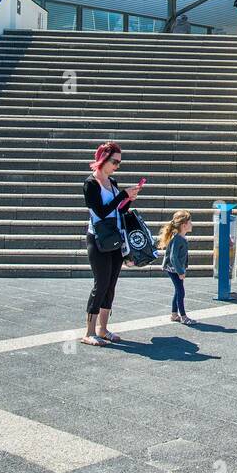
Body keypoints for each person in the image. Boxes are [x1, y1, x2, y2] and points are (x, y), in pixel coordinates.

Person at [82, 142, 142, 346]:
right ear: (103, 159)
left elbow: (119, 211)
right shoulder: (91, 183)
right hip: (99, 238)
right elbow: (100, 211)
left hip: (115, 237)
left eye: (119, 162)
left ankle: (103, 328)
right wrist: (122, 196)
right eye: (114, 161)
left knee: (111, 284)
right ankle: (89, 332)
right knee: (100, 284)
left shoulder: (113, 182)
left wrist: (129, 199)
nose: (117, 165)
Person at [158, 210, 194, 324]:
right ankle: (183, 316)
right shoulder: (178, 239)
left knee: (178, 291)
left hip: (175, 269)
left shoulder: (181, 237)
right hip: (173, 269)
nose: (192, 224)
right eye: (190, 222)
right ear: (184, 225)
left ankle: (174, 314)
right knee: (181, 292)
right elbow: (173, 257)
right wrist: (180, 271)